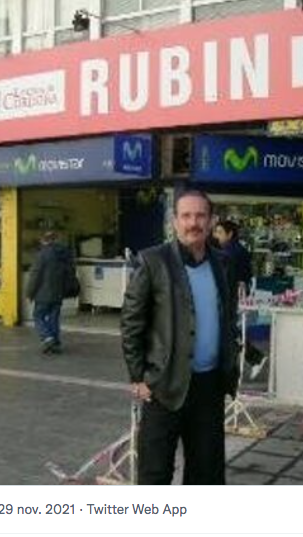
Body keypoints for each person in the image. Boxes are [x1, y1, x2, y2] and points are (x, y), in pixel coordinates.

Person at [120, 189, 240, 485]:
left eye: (200, 216)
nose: (193, 223)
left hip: (209, 386)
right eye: (186, 216)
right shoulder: (153, 261)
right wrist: (138, 376)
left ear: (211, 221)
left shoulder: (223, 263)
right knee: (155, 474)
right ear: (174, 222)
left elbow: (228, 318)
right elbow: (132, 321)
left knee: (207, 474)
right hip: (164, 386)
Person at [213, 219, 267, 380]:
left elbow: (229, 277)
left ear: (229, 234)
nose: (216, 235)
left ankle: (253, 358)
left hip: (232, 297)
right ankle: (253, 358)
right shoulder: (235, 249)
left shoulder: (230, 252)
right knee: (227, 331)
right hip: (234, 296)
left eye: (219, 232)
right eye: (215, 232)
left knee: (227, 331)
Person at [26, 231, 76, 354]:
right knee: (54, 317)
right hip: (58, 293)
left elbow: (35, 276)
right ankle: (55, 342)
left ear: (44, 240)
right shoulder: (65, 254)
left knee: (38, 316)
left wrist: (30, 293)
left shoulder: (42, 255)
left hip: (43, 294)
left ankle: (48, 338)